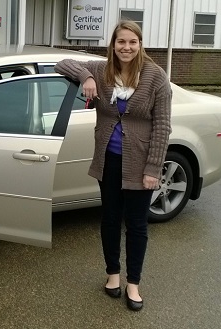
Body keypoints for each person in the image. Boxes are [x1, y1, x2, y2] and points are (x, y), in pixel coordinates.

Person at [54, 20, 172, 312]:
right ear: (113, 44)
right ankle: (112, 275)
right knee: (109, 219)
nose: (127, 47)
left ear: (140, 44)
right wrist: (86, 77)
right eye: (121, 42)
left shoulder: (156, 77)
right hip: (108, 160)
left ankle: (133, 282)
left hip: (140, 162)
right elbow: (62, 62)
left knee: (136, 224)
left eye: (132, 42)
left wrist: (153, 170)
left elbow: (162, 126)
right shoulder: (101, 69)